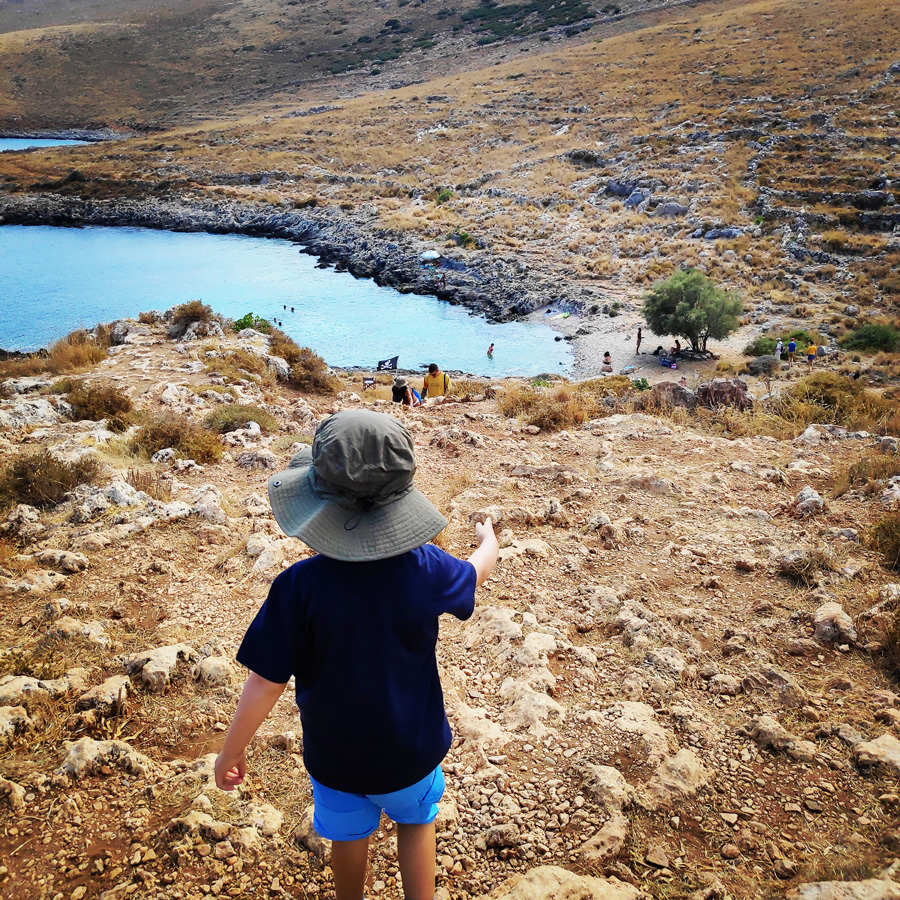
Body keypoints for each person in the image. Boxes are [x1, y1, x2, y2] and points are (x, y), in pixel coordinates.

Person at [215, 410, 499, 900]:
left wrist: (233, 748)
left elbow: (266, 681)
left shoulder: (298, 588)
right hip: (412, 750)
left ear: (318, 502)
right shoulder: (426, 568)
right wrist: (489, 541)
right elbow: (473, 575)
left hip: (336, 757)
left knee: (346, 836)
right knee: (417, 823)